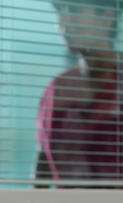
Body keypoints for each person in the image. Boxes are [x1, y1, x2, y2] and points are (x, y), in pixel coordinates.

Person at [36, 0, 123, 186]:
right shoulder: (57, 89)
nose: (63, 20)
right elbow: (43, 168)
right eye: (60, 10)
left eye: (74, 9)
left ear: (108, 15)